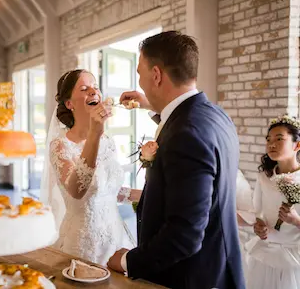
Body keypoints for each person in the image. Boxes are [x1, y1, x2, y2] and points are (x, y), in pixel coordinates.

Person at [107, 31, 245, 289]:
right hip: (217, 268)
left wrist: (128, 261)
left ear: (156, 75)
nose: (140, 81)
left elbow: (185, 235)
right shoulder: (216, 115)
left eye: (140, 73)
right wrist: (151, 105)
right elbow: (182, 129)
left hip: (189, 277)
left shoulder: (186, 135)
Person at [40, 69, 140, 266]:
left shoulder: (108, 142)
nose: (94, 92)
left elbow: (109, 191)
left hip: (116, 239)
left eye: (95, 87)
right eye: (84, 89)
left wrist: (152, 195)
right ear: (69, 104)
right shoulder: (60, 146)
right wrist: (94, 133)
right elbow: (77, 190)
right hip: (83, 245)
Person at [244, 115, 300, 289]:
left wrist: (295, 220)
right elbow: (258, 213)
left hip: (294, 259)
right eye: (268, 139)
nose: (271, 144)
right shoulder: (264, 177)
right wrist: (258, 226)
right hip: (266, 254)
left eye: (279, 139)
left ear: (297, 145)